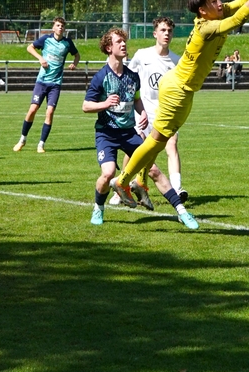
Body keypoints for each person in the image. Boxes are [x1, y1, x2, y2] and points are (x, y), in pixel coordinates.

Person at [111, 0, 249, 205]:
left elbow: (238, 4)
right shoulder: (206, 27)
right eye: (213, 1)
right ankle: (122, 182)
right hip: (177, 89)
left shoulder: (215, 14)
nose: (219, 4)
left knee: (161, 141)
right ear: (202, 10)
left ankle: (139, 181)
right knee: (155, 141)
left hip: (183, 89)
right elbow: (238, 18)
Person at [83, 28, 197, 229]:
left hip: (129, 133)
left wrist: (142, 112)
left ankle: (182, 212)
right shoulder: (101, 77)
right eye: (118, 42)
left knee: (153, 170)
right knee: (108, 173)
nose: (123, 44)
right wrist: (105, 104)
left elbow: (136, 99)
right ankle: (98, 208)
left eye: (124, 41)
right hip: (106, 134)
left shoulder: (132, 76)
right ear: (109, 48)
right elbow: (86, 106)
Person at [121, 17, 187, 202]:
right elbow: (130, 78)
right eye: (163, 30)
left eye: (170, 31)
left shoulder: (177, 61)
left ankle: (177, 188)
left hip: (165, 113)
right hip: (143, 111)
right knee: (136, 150)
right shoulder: (142, 55)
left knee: (172, 144)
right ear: (155, 33)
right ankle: (122, 186)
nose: (167, 34)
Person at [13, 17, 80, 153]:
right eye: (58, 25)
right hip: (42, 81)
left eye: (62, 26)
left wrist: (74, 64)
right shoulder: (46, 39)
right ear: (53, 28)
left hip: (55, 83)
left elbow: (77, 55)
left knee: (50, 112)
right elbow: (29, 47)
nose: (60, 27)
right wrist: (40, 58)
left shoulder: (67, 43)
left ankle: (41, 144)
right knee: (33, 109)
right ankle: (22, 139)